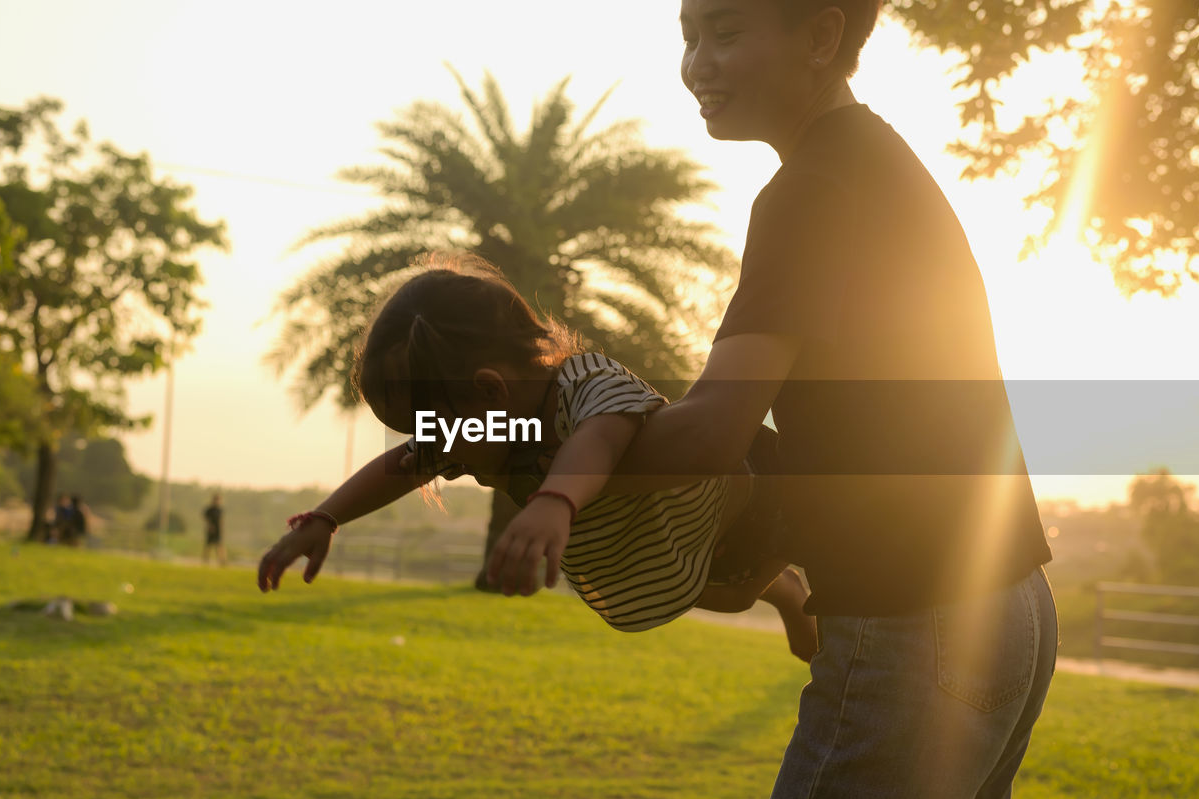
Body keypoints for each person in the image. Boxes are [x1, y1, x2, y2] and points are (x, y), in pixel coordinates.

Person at [519, 1, 1053, 799]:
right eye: (689, 38)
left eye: (726, 35)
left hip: (919, 618)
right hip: (1009, 604)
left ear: (820, 36)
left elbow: (711, 430)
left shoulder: (811, 188)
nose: (698, 65)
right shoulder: (870, 166)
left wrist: (549, 463)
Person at [257, 254, 818, 659]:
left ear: (491, 391)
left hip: (748, 495)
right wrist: (325, 518)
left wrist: (554, 499)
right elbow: (399, 466)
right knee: (724, 593)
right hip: (669, 549)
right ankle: (783, 590)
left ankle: (794, 588)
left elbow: (600, 436)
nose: (431, 444)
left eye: (436, 428)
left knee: (755, 577)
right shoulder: (490, 426)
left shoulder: (585, 382)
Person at [203, 493, 226, 565]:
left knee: (219, 546)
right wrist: (210, 526)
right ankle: (205, 560)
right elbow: (206, 519)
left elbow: (221, 520)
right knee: (208, 546)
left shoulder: (220, 510)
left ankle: (222, 561)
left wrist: (222, 529)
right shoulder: (209, 509)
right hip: (211, 530)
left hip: (218, 530)